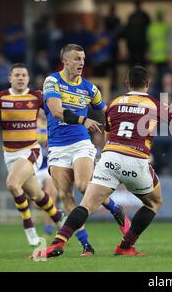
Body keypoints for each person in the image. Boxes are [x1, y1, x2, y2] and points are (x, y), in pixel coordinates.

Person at [32, 66, 172, 259]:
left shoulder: (114, 103)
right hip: (136, 161)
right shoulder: (156, 104)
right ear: (148, 84)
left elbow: (108, 134)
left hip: (109, 158)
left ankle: (57, 243)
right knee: (154, 202)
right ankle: (125, 246)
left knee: (85, 206)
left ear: (127, 83)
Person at [42, 44, 130, 256]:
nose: (81, 62)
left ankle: (116, 209)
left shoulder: (90, 89)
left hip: (81, 143)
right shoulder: (52, 81)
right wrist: (84, 119)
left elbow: (108, 114)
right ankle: (86, 245)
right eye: (76, 59)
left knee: (83, 186)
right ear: (65, 61)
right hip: (56, 146)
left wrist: (121, 130)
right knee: (65, 195)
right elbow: (56, 111)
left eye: (82, 58)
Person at [0, 63, 64, 246]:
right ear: (10, 78)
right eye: (17, 75)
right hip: (10, 155)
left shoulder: (36, 96)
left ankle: (29, 227)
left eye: (24, 75)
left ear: (28, 78)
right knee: (37, 196)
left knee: (12, 184)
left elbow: (55, 113)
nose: (20, 78)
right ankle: (59, 219)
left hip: (31, 150)